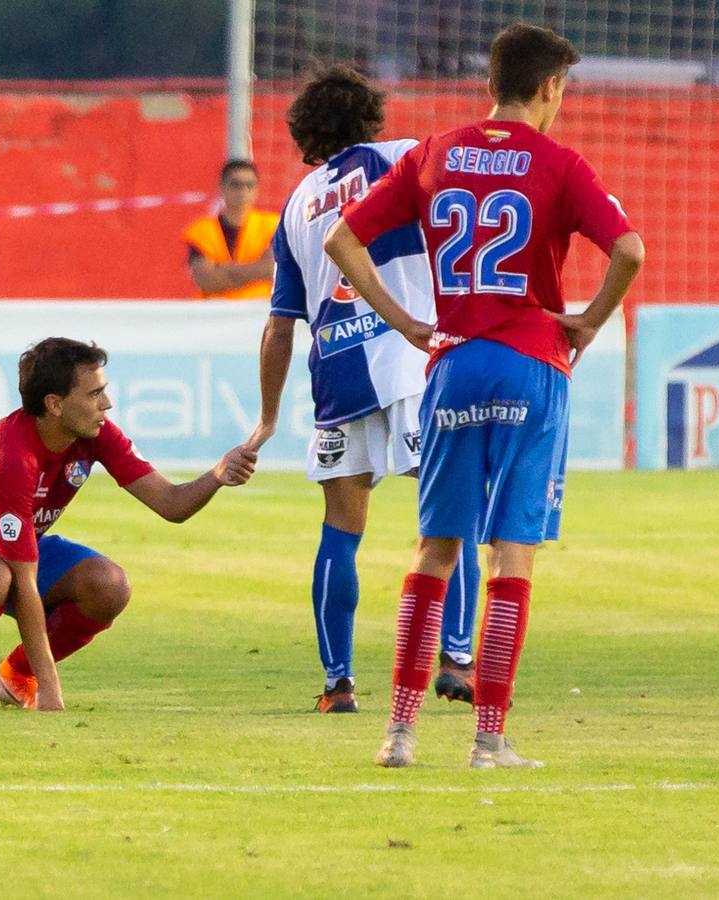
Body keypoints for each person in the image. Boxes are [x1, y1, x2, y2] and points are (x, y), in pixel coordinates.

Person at [329, 23, 646, 768]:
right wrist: (590, 324)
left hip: (453, 363)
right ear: (549, 88)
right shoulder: (562, 164)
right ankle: (488, 740)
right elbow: (629, 249)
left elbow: (345, 239)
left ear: (490, 86)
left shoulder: (434, 152)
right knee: (511, 555)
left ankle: (398, 734)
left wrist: (404, 319)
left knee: (434, 551)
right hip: (531, 362)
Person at [244, 63, 483, 714]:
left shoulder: (295, 205)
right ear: (369, 115)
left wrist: (266, 420)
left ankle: (337, 684)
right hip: (409, 359)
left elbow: (278, 328)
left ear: (307, 132)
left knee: (341, 528)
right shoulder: (401, 157)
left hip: (335, 375)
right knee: (447, 511)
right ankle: (457, 657)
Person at [0, 338, 258, 711]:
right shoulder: (11, 456)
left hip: (13, 551)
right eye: (94, 394)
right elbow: (23, 581)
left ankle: (15, 676)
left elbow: (172, 504)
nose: (107, 404)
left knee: (109, 586)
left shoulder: (98, 433)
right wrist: (52, 689)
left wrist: (217, 475)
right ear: (54, 404)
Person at [184, 159, 280, 300]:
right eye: (236, 185)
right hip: (214, 314)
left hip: (260, 310)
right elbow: (207, 280)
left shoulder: (273, 225)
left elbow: (271, 269)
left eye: (249, 185)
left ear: (257, 189)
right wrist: (257, 268)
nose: (243, 191)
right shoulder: (201, 230)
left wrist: (223, 269)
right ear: (221, 187)